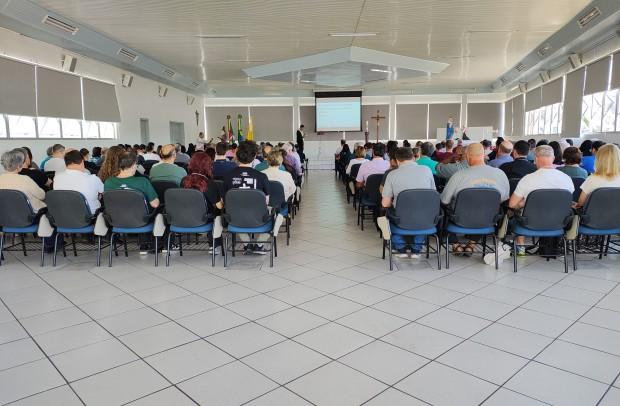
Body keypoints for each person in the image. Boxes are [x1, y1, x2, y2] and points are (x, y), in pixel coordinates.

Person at [441, 143, 510, 255]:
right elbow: (504, 199)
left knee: (443, 209)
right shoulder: (500, 174)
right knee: (484, 208)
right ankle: (472, 244)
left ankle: (455, 244)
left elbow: (444, 201)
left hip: (460, 219)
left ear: (467, 156)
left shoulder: (458, 175)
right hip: (488, 220)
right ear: (483, 155)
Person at [508, 145, 574, 256]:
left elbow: (512, 204)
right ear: (553, 158)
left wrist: (524, 202)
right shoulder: (566, 178)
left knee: (517, 214)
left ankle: (521, 249)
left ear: (536, 159)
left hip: (530, 223)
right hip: (558, 223)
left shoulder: (528, 179)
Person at [381, 147, 436, 257]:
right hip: (425, 218)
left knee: (385, 217)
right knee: (423, 214)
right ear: (414, 157)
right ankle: (416, 247)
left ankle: (400, 247)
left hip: (402, 218)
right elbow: (433, 193)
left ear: (397, 160)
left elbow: (385, 203)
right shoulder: (426, 170)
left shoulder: (392, 174)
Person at [221, 141, 270, 254]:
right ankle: (259, 244)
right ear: (254, 156)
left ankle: (247, 244)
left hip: (235, 218)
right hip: (258, 218)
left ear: (237, 156)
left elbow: (224, 200)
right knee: (277, 215)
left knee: (236, 213)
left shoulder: (228, 176)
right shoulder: (262, 176)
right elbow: (266, 201)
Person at [53, 150, 104, 214]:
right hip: (91, 216)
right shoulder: (93, 179)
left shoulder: (57, 178)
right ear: (82, 162)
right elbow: (104, 193)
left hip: (64, 215)